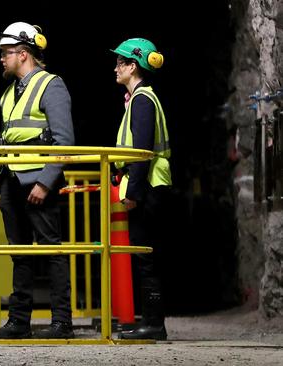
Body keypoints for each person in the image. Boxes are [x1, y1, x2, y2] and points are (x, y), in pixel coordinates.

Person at [0, 22, 75, 339]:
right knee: (19, 253)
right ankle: (19, 321)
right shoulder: (9, 93)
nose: (1, 59)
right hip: (11, 180)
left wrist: (46, 182)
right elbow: (5, 140)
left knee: (52, 251)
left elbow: (64, 141)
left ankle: (62, 322)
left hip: (38, 181)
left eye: (5, 53)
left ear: (23, 54)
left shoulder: (51, 85)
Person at [111, 38, 170, 341]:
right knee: (146, 253)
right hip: (147, 184)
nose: (116, 67)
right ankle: (150, 322)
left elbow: (142, 151)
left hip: (147, 186)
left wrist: (132, 192)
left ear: (133, 66)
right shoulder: (140, 98)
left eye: (121, 62)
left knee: (146, 254)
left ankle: (153, 323)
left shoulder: (142, 99)